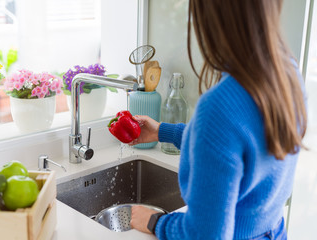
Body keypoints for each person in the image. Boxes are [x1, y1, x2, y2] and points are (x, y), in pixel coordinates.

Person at [129, 0, 307, 239]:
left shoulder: (219, 105)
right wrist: (163, 131)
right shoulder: (286, 70)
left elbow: (205, 234)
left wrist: (155, 222)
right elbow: (240, 143)